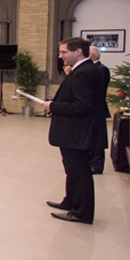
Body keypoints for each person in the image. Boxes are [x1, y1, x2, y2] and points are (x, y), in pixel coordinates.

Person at [42, 37, 103, 224]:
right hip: (75, 132)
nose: (60, 56)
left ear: (78, 52)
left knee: (79, 171)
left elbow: (83, 106)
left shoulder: (84, 73)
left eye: (63, 52)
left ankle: (81, 212)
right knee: (72, 169)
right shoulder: (82, 70)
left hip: (78, 132)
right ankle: (71, 201)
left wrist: (53, 106)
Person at [88, 46, 110, 174]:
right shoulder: (90, 69)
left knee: (97, 137)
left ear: (91, 55)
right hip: (89, 109)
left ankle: (97, 164)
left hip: (97, 109)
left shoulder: (101, 69)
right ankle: (89, 161)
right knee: (90, 136)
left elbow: (97, 88)